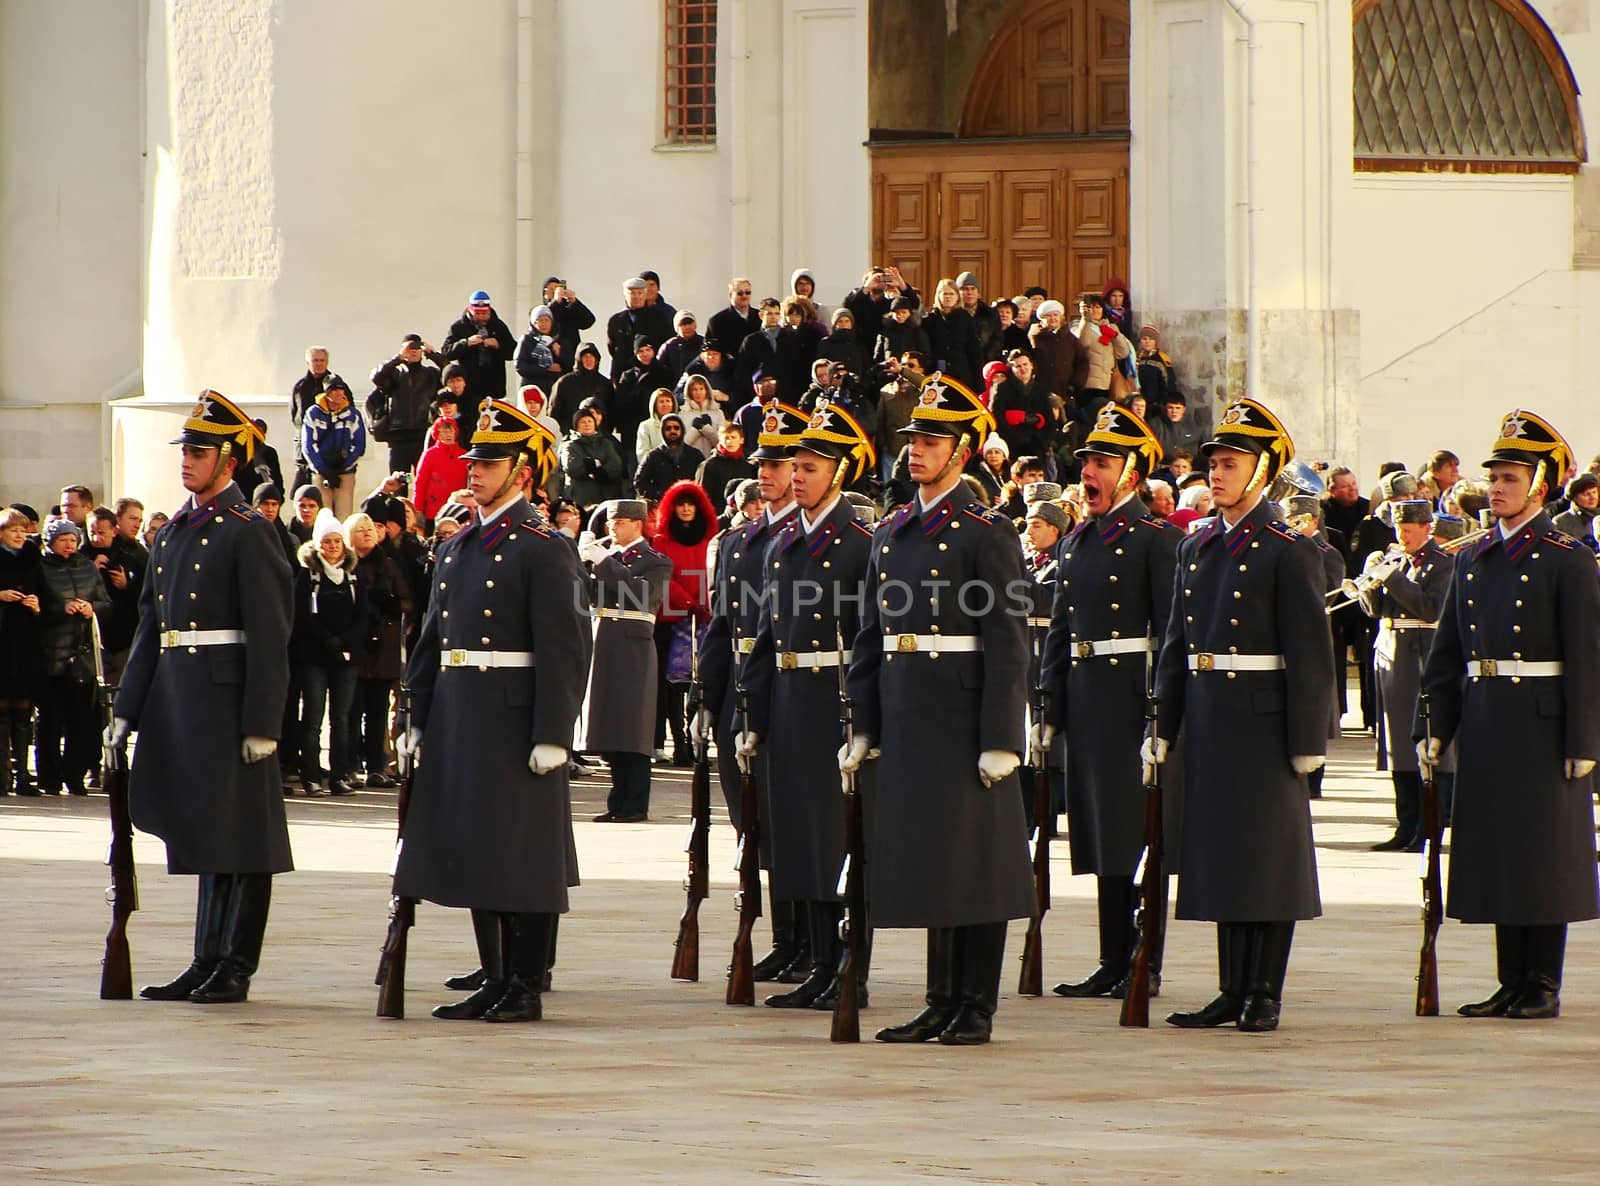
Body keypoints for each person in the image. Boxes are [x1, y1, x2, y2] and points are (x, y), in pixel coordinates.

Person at [842, 376, 1034, 1046]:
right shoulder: (892, 531)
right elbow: (871, 635)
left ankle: (974, 1004)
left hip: (964, 712)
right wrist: (864, 722)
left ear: (962, 452)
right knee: (933, 860)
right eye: (913, 440)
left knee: (975, 862)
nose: (915, 451)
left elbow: (1009, 638)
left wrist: (1004, 734)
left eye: (931, 441)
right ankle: (939, 997)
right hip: (908, 713)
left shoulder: (987, 531)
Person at [393, 398, 591, 1023]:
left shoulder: (542, 545)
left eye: (491, 463)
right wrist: (415, 715)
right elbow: (431, 640)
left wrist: (554, 732)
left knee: (521, 853)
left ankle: (524, 983)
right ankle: (497, 975)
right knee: (479, 847)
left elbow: (566, 645)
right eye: (473, 461)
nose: (474, 471)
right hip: (460, 713)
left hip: (514, 716)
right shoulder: (457, 546)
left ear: (523, 474)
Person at [1147, 398, 1334, 1033]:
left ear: (1261, 472)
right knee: (1224, 856)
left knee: (1267, 860)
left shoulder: (1288, 547)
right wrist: (1164, 725)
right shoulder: (1196, 547)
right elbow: (1177, 643)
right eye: (1214, 464)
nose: (1217, 474)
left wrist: (1309, 739)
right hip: (1208, 718)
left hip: (1264, 721)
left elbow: (1312, 652)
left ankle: (1264, 991)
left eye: (1231, 464)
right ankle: (1231, 988)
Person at [107, 390, 294, 1004]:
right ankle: (205, 958)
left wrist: (263, 721)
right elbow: (150, 632)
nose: (186, 460)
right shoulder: (175, 533)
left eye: (200, 451)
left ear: (230, 461)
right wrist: (127, 710)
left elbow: (271, 633)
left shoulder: (249, 533)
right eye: (185, 449)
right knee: (207, 835)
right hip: (182, 701)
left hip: (231, 702)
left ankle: (234, 964)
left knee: (242, 838)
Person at [1417, 410, 1599, 1021]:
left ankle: (1541, 982)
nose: (1497, 487)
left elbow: (1588, 656)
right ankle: (1510, 979)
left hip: (1545, 723)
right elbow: (1449, 654)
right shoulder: (1472, 559)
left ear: (1540, 487)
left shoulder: (1567, 558)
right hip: (1489, 716)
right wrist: (1435, 727)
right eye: (1494, 476)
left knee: (1542, 854)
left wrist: (1584, 738)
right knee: (1501, 851)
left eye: (1511, 478)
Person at [1034, 405, 1184, 1000]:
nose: (1088, 473)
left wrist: (1163, 711)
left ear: (1130, 473)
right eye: (1086, 463)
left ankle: (1143, 958)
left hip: (1133, 699)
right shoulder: (1077, 539)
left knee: (1139, 834)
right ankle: (1111, 956)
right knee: (1101, 832)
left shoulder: (1157, 540)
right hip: (1089, 695)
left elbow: (1174, 633)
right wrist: (1049, 707)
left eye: (1101, 462)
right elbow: (1059, 630)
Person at [739, 399, 878, 1009]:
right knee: (798, 836)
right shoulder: (782, 543)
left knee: (838, 842)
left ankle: (849, 968)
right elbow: (769, 638)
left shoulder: (860, 544)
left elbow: (872, 639)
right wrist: (754, 716)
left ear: (840, 474)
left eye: (812, 467)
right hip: (792, 701)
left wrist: (868, 724)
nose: (797, 475)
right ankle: (819, 965)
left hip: (835, 703)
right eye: (796, 464)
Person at [698, 402, 812, 982]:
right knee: (755, 823)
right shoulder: (739, 540)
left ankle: (808, 941)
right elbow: (721, 625)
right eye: (762, 463)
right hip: (741, 691)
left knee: (795, 819)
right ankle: (784, 938)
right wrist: (707, 699)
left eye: (779, 463)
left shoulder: (808, 536)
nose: (765, 473)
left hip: (788, 690)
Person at [1357, 499, 1456, 852]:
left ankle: (1429, 827)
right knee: (1397, 744)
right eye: (1400, 530)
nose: (1403, 536)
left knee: (1425, 742)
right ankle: (1405, 824)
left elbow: (1430, 607)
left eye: (1410, 531)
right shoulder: (1395, 559)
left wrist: (1394, 578)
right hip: (1391, 654)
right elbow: (1375, 610)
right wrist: (1369, 584)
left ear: (1428, 529)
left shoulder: (1443, 564)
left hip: (1420, 655)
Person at [579, 500, 672, 822]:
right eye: (609, 523)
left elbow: (641, 595)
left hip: (633, 645)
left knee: (632, 727)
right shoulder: (608, 558)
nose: (612, 528)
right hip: (603, 641)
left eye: (618, 522)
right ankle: (618, 801)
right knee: (610, 725)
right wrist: (578, 564)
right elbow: (586, 595)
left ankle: (635, 803)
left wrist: (604, 562)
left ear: (637, 524)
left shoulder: (655, 561)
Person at [290, 509, 366, 796]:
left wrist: (346, 641)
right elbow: (302, 615)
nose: (333, 546)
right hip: (314, 657)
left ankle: (339, 775)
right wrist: (327, 640)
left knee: (342, 719)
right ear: (318, 545)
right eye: (327, 541)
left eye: (337, 541)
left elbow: (362, 615)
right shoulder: (308, 577)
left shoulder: (353, 577)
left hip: (345, 658)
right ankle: (310, 775)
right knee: (312, 717)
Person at [36, 519, 109, 796]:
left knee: (82, 720)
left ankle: (75, 775)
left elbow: (106, 603)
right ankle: (50, 778)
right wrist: (59, 608)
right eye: (63, 539)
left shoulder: (88, 567)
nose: (69, 544)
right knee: (50, 720)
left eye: (72, 539)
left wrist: (92, 608)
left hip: (82, 656)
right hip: (51, 654)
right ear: (51, 542)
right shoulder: (41, 569)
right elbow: (36, 606)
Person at [647, 479, 716, 763]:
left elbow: (712, 573)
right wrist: (689, 602)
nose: (686, 509)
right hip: (672, 618)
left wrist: (704, 604)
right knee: (672, 685)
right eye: (681, 504)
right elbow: (666, 577)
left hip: (703, 619)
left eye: (691, 504)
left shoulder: (710, 538)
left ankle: (697, 739)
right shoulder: (661, 540)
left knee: (700, 683)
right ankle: (678, 742)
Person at [345, 512, 407, 789]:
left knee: (378, 711)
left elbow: (408, 602)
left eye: (370, 528)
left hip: (384, 648)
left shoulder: (389, 566)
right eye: (361, 529)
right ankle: (348, 765)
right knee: (351, 710)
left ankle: (376, 766)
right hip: (355, 648)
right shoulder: (346, 565)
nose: (368, 532)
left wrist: (390, 603)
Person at [0, 508, 44, 795]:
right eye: (13, 529)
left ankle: (23, 776)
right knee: (2, 715)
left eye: (22, 529)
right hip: (1, 645)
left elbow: (46, 599)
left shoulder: (32, 559)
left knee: (23, 714)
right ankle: (2, 777)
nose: (19, 534)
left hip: (25, 645)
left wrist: (36, 605)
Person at [366, 334, 443, 475]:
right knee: (398, 482)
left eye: (416, 347)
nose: (413, 351)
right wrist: (398, 358)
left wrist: (433, 355)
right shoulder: (394, 373)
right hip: (398, 435)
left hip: (423, 434)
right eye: (409, 347)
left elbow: (451, 373)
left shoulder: (431, 374)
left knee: (425, 478)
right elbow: (376, 377)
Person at [301, 374, 368, 520]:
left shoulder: (353, 415)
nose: (338, 393)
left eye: (341, 389)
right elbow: (308, 447)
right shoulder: (313, 413)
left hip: (345, 472)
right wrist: (324, 470)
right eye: (333, 390)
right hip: (321, 472)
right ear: (326, 393)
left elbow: (359, 445)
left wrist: (342, 467)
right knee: (323, 516)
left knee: (344, 517)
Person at [442, 291, 516, 402]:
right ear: (470, 310)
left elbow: (514, 352)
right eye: (477, 314)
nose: (481, 317)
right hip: (469, 385)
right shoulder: (458, 327)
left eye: (484, 314)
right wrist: (466, 343)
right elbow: (446, 352)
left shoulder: (498, 326)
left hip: (494, 385)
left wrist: (498, 345)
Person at [559, 405, 625, 514]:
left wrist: (596, 471)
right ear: (576, 426)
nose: (587, 424)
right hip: (579, 497)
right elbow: (572, 467)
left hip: (604, 495)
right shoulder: (569, 445)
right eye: (583, 422)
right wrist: (596, 464)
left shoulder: (606, 443)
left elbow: (615, 467)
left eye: (589, 421)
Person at [605, 277, 674, 381]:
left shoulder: (658, 317)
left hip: (652, 374)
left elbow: (666, 343)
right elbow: (613, 348)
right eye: (632, 293)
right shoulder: (616, 320)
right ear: (625, 294)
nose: (636, 297)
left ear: (645, 294)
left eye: (640, 293)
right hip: (623, 375)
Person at [843, 266, 918, 353]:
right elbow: (848, 307)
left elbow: (914, 304)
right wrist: (867, 287)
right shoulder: (858, 298)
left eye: (883, 279)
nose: (879, 282)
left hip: (884, 347)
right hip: (861, 346)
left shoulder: (890, 302)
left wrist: (901, 284)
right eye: (875, 279)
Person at [921, 279, 979, 389]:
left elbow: (974, 350)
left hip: (962, 374)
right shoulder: (930, 320)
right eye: (945, 294)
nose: (948, 297)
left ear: (957, 296)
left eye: (952, 293)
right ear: (938, 296)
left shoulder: (965, 318)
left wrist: (978, 383)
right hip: (936, 373)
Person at [634, 413, 703, 503]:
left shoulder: (695, 455)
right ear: (662, 431)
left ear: (682, 430)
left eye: (676, 428)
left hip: (688, 505)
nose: (672, 431)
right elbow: (639, 482)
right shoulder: (653, 456)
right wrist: (658, 495)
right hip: (662, 505)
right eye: (668, 428)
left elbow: (704, 480)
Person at [414, 416, 469, 523]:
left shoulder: (464, 456)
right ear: (437, 434)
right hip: (434, 511)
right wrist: (417, 509)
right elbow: (420, 483)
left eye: (450, 431)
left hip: (458, 509)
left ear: (455, 432)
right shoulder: (429, 454)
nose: (448, 434)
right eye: (443, 431)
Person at [290, 346, 330, 488]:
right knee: (300, 491)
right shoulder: (300, 387)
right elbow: (295, 417)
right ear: (308, 362)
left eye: (322, 360)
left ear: (327, 362)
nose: (318, 363)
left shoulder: (336, 385)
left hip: (329, 450)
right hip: (304, 452)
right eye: (315, 360)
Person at [550, 343, 613, 434]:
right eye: (585, 357)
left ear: (597, 360)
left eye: (592, 356)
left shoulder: (605, 384)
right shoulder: (564, 382)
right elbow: (554, 411)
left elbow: (611, 413)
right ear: (579, 360)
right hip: (569, 435)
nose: (589, 360)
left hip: (598, 439)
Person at [540, 277, 595, 373]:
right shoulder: (541, 311)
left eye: (558, 289)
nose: (555, 292)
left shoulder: (569, 309)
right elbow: (538, 331)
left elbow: (588, 321)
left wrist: (574, 301)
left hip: (572, 357)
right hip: (552, 360)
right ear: (545, 294)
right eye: (552, 290)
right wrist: (556, 302)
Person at [696, 421, 753, 507]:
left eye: (733, 437)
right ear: (720, 439)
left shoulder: (749, 465)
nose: (729, 441)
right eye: (726, 438)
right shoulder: (709, 465)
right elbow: (702, 498)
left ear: (741, 440)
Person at [707, 278, 761, 359]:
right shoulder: (717, 321)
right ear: (730, 295)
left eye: (748, 292)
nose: (744, 296)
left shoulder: (761, 317)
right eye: (740, 293)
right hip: (730, 369)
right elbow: (709, 352)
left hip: (757, 368)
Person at [514, 306, 562, 396]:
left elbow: (568, 364)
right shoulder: (527, 339)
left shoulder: (557, 340)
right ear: (533, 323)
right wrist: (546, 369)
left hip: (554, 390)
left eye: (546, 320)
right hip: (532, 389)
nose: (543, 324)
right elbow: (520, 366)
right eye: (540, 320)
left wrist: (560, 353)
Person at [956, 272, 1002, 366]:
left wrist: (988, 357)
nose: (969, 293)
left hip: (984, 363)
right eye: (965, 289)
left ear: (978, 293)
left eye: (973, 289)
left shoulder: (990, 314)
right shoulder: (953, 314)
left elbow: (997, 339)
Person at [678, 373, 724, 458]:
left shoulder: (718, 413)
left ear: (707, 390)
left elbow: (722, 444)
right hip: (690, 461)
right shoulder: (682, 415)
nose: (698, 392)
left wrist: (707, 429)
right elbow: (681, 445)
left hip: (713, 462)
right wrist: (695, 430)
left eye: (701, 389)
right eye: (694, 389)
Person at [656, 310, 705, 386]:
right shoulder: (668, 346)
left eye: (690, 323)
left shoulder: (704, 344)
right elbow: (659, 370)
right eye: (683, 324)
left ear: (695, 325)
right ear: (677, 328)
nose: (687, 327)